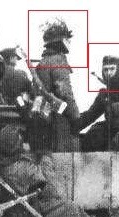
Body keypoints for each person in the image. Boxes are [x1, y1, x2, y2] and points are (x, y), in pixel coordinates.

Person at [35, 19, 80, 152]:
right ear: (61, 41)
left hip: (45, 117)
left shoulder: (43, 62)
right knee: (63, 155)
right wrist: (76, 117)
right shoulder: (58, 60)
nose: (69, 42)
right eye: (67, 39)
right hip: (59, 117)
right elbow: (64, 92)